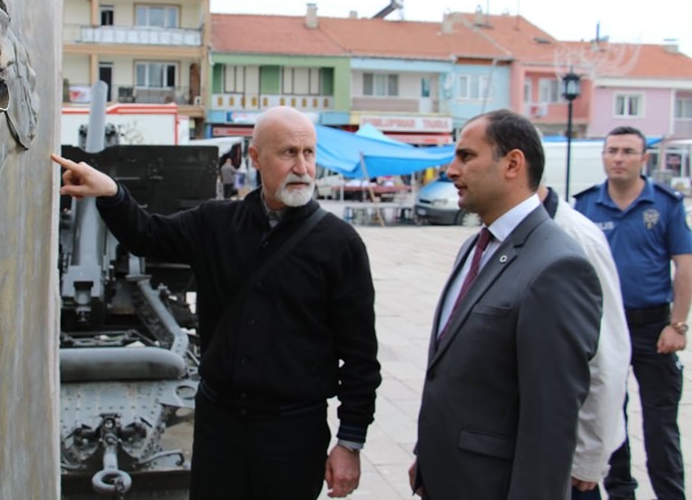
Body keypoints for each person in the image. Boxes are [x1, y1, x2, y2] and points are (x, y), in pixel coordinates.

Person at [52, 105, 381, 500]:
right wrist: (111, 193)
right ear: (256, 158)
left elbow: (361, 357)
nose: (302, 166)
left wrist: (350, 442)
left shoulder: (340, 244)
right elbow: (148, 235)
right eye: (288, 153)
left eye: (308, 153)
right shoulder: (215, 223)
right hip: (219, 427)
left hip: (292, 433)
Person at [409, 109, 603, 499]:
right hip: (448, 477)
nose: (451, 170)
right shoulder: (474, 247)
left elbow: (551, 422)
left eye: (466, 156)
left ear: (513, 163)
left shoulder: (557, 265)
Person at [574, 125, 692, 500]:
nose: (618, 158)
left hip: (653, 328)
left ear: (644, 159)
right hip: (604, 327)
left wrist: (678, 324)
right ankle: (622, 492)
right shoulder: (587, 205)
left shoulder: (665, 205)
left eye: (627, 151)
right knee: (609, 419)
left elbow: (685, 265)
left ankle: (671, 494)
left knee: (660, 427)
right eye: (612, 151)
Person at [537, 184, 630, 499]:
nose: (454, 170)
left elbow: (607, 355)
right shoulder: (493, 237)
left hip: (566, 464)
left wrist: (588, 457)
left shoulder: (575, 238)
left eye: (467, 156)